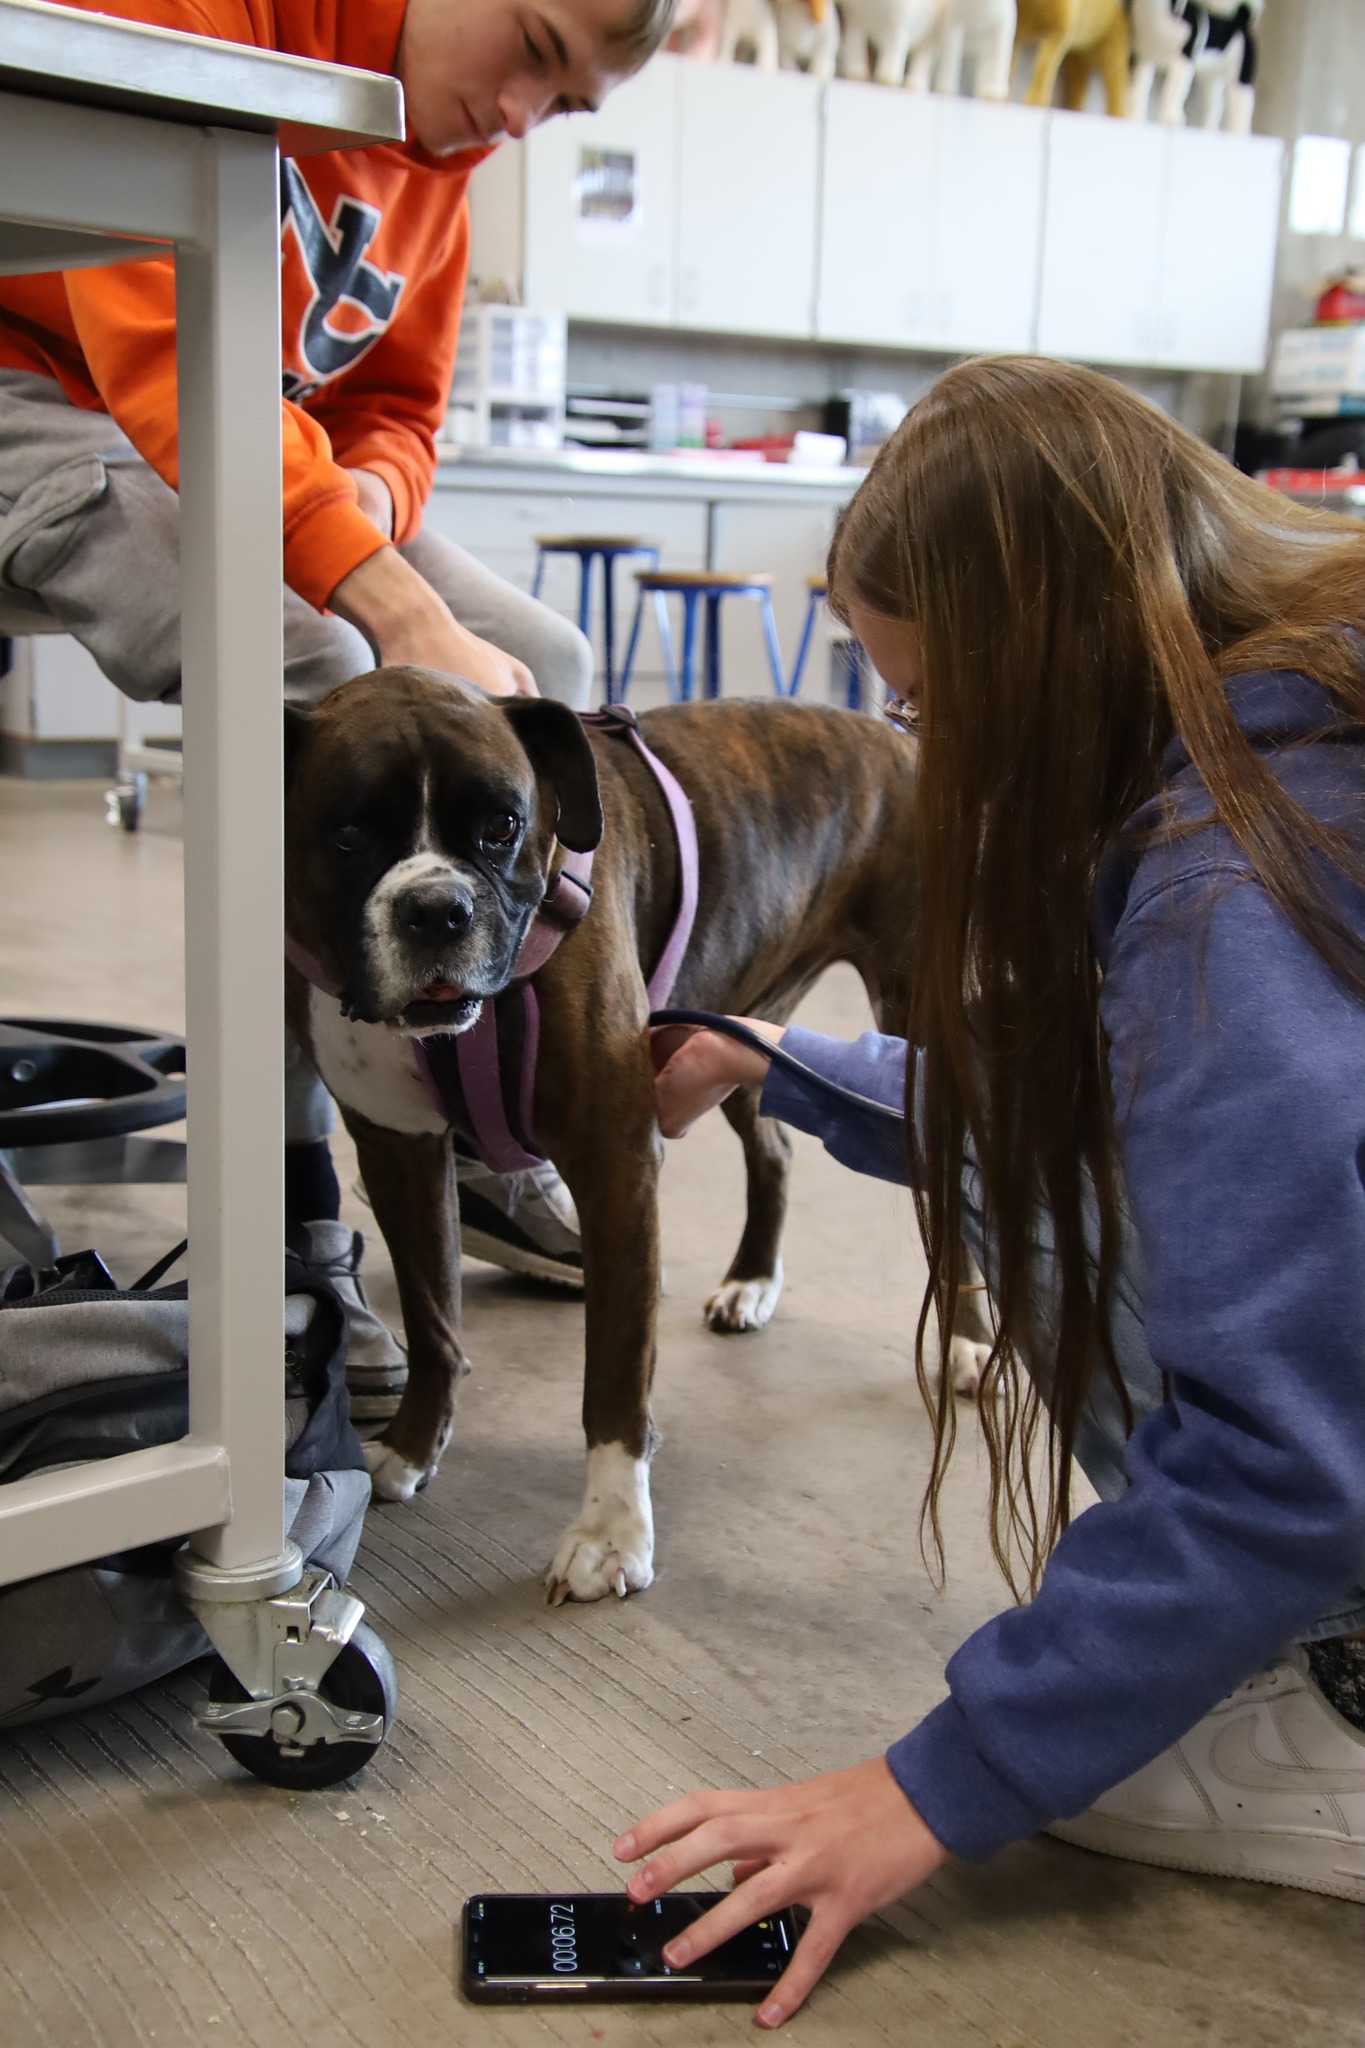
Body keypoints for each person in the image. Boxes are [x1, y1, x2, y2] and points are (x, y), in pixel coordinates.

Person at [616, 356, 1365, 2027]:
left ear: (1046, 667)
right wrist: (780, 1060)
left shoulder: (1223, 894)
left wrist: (937, 1781)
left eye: (927, 703)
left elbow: (1285, 1442)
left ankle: (1342, 1692)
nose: (919, 745)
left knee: (1047, 1201)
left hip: (1329, 1483)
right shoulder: (1300, 718)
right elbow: (1120, 1104)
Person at [0, 0, 674, 1401]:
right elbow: (170, 361)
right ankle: (298, 1220)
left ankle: (488, 1123)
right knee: (328, 680)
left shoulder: (437, 147)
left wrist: (371, 502)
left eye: (570, 105)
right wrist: (390, 598)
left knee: (539, 671)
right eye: (535, 49)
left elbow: (397, 410)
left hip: (257, 443)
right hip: (48, 394)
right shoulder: (193, 17)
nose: (521, 116)